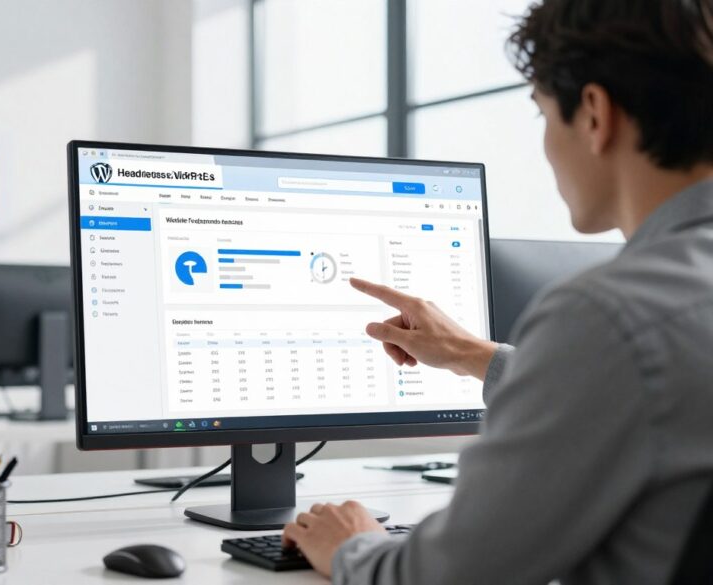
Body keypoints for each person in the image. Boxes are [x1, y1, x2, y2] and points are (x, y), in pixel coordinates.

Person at [281, 0, 713, 583]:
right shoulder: (650, 320)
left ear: (593, 113)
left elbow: (445, 577)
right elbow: (657, 387)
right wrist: (468, 354)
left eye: (541, 115)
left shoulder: (608, 317)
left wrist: (352, 546)